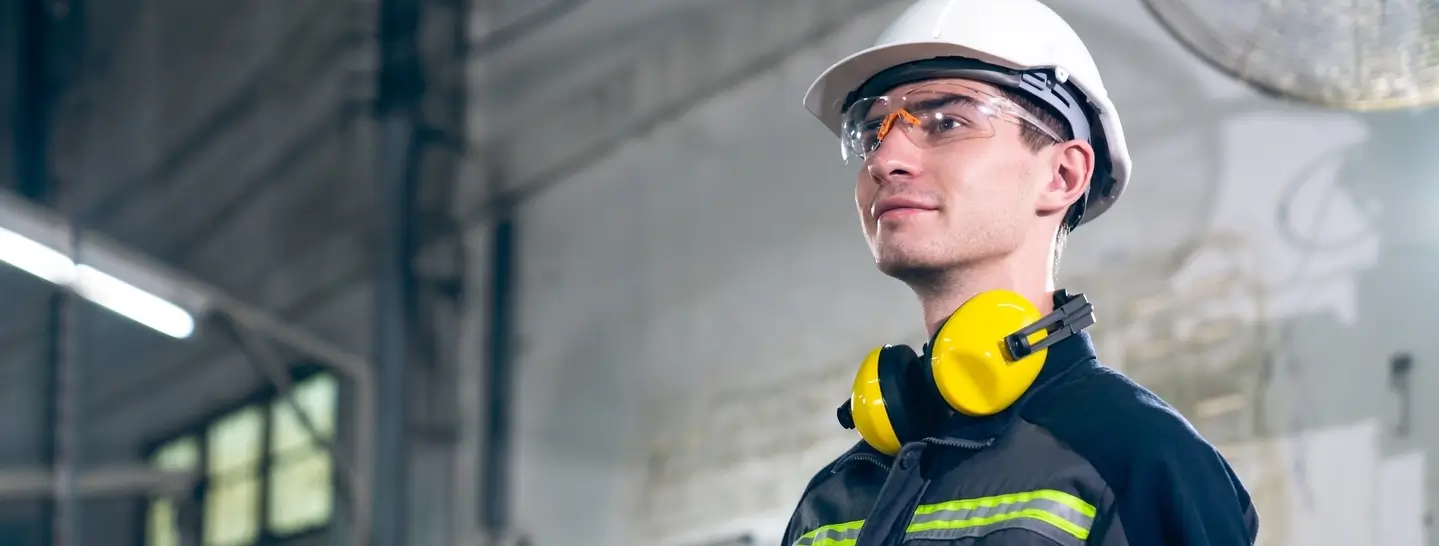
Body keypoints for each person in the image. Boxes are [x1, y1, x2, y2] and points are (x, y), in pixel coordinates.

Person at [781, 0, 1260, 545]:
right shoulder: (832, 500)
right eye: (871, 134)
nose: (883, 158)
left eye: (946, 121)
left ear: (1061, 174)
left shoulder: (1139, 458)